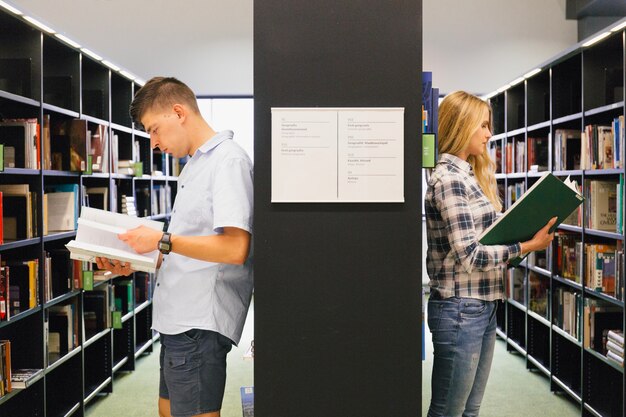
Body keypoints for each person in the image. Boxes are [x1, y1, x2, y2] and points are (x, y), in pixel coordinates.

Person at [96, 76, 253, 417]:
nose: (152, 142)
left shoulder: (228, 161)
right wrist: (136, 260)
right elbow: (185, 249)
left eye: (154, 129)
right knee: (167, 411)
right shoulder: (194, 166)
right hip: (177, 319)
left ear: (178, 112)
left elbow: (235, 248)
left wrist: (162, 240)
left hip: (198, 322)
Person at [424, 90, 555, 417]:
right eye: (482, 125)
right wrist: (525, 246)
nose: (488, 133)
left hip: (480, 305)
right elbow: (469, 254)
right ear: (461, 126)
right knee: (448, 412)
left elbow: (485, 232)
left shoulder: (469, 176)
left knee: (470, 410)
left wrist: (525, 223)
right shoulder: (449, 179)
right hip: (459, 309)